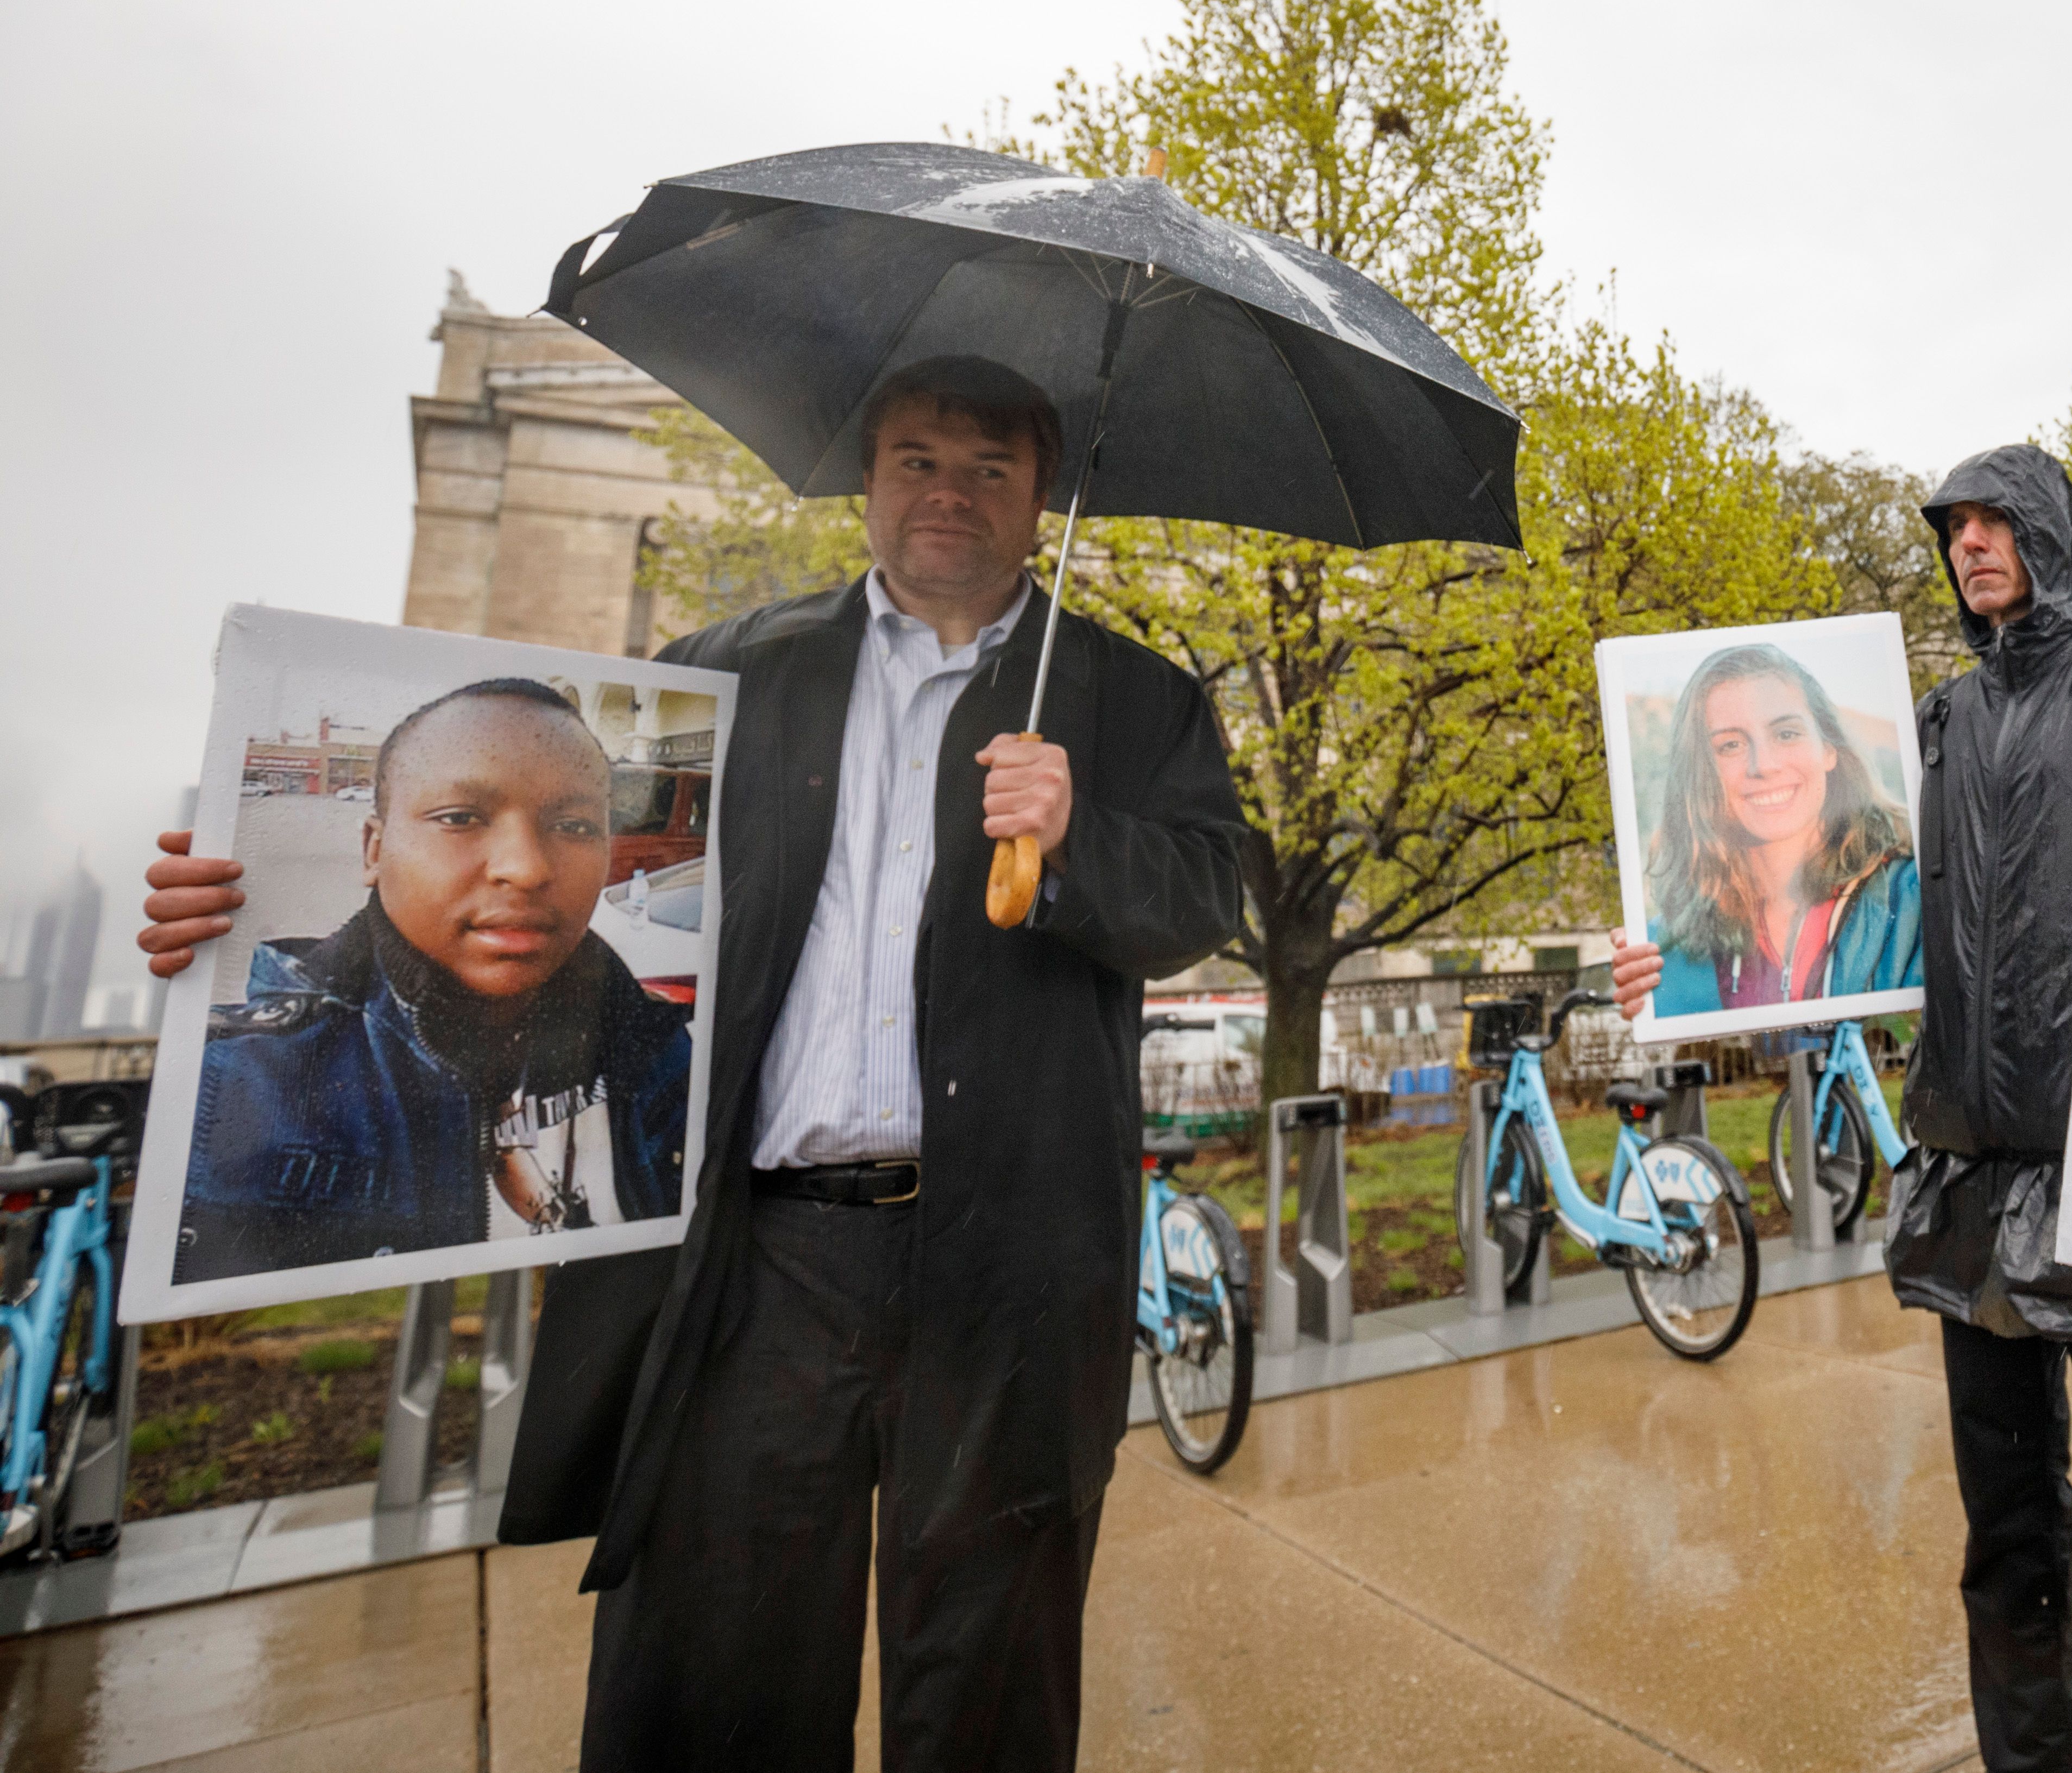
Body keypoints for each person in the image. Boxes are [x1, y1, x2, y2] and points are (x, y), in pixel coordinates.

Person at [140, 352, 1246, 1771]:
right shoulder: (725, 676)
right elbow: (535, 895)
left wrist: (1082, 833)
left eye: (989, 467)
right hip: (759, 1263)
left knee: (987, 1685)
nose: (947, 494)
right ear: (868, 480)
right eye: (916, 458)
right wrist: (236, 921)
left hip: (1010, 1270)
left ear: (1046, 493)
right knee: (714, 1679)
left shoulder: (1134, 701)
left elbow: (1208, 900)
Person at [1631, 445, 2072, 1773]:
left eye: (1994, 521)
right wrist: (1669, 970)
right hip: (1970, 1178)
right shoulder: (1936, 720)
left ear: (2048, 530)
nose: (1973, 544)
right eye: (1954, 528)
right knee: (2010, 1538)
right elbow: (1819, 908)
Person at [177, 677, 688, 1280]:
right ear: (374, 850)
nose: (525, 869)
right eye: (460, 817)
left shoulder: (661, 1055)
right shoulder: (237, 1082)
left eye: (575, 826)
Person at [1617, 640, 1923, 1019]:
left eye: (1786, 734)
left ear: (1830, 750)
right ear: (1701, 773)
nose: (1763, 765)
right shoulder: (1667, 947)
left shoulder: (1916, 899)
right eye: (1730, 744)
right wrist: (1644, 1000)